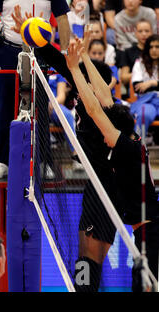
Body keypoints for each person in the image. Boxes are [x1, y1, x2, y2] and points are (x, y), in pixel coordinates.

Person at [65, 34, 159, 292]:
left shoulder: (127, 149)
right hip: (144, 227)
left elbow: (96, 111)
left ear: (115, 132)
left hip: (149, 232)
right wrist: (84, 56)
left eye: (108, 134)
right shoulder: (132, 137)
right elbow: (104, 97)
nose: (104, 140)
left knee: (145, 287)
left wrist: (74, 68)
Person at [0, 0, 71, 179]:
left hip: (40, 51)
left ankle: (44, 161)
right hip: (7, 50)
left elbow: (62, 18)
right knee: (5, 105)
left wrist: (66, 53)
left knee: (41, 106)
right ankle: (2, 161)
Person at [129, 34, 159, 135]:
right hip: (147, 101)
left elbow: (145, 87)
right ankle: (137, 147)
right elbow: (138, 88)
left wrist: (151, 83)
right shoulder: (139, 63)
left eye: (157, 47)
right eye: (151, 47)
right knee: (144, 115)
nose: (154, 50)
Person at [119, 19, 153, 91]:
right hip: (135, 90)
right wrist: (144, 74)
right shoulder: (128, 52)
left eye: (147, 31)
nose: (144, 34)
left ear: (152, 32)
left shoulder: (156, 51)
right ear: (135, 33)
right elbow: (124, 77)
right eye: (140, 31)